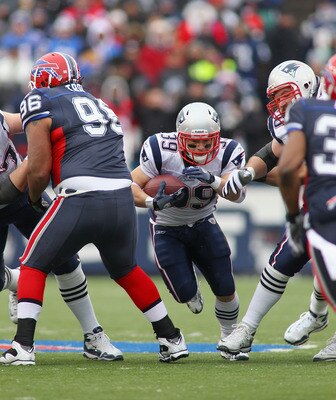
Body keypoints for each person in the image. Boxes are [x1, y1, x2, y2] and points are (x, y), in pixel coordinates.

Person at [0, 52, 188, 366]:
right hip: (119, 197)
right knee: (126, 269)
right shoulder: (99, 104)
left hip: (76, 195)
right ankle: (171, 337)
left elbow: (38, 167)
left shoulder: (38, 101)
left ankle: (24, 345)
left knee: (34, 262)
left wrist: (34, 193)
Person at [219, 59, 333, 361]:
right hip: (319, 197)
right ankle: (247, 328)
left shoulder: (316, 112)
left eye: (284, 94)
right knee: (282, 260)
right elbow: (276, 152)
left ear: (309, 86)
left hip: (322, 190)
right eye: (277, 96)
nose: (279, 103)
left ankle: (317, 314)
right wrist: (246, 173)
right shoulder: (302, 113)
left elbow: (294, 170)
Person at [0, 110, 126, 363]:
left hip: (23, 192)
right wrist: (35, 156)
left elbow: (23, 121)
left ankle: (94, 334)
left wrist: (63, 122)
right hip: (9, 189)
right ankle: (17, 280)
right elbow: (3, 193)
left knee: (65, 258)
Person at [131, 101, 249, 361]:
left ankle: (229, 338)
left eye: (207, 143)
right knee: (184, 293)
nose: (200, 149)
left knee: (225, 285)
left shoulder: (229, 151)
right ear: (179, 137)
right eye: (193, 144)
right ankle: (190, 288)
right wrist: (152, 202)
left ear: (217, 137)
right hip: (166, 227)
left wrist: (213, 179)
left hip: (204, 221)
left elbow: (238, 195)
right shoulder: (160, 148)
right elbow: (132, 186)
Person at [278, 54, 336, 361]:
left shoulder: (308, 109)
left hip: (325, 210)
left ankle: (318, 315)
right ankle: (316, 313)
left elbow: (288, 170)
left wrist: (292, 217)